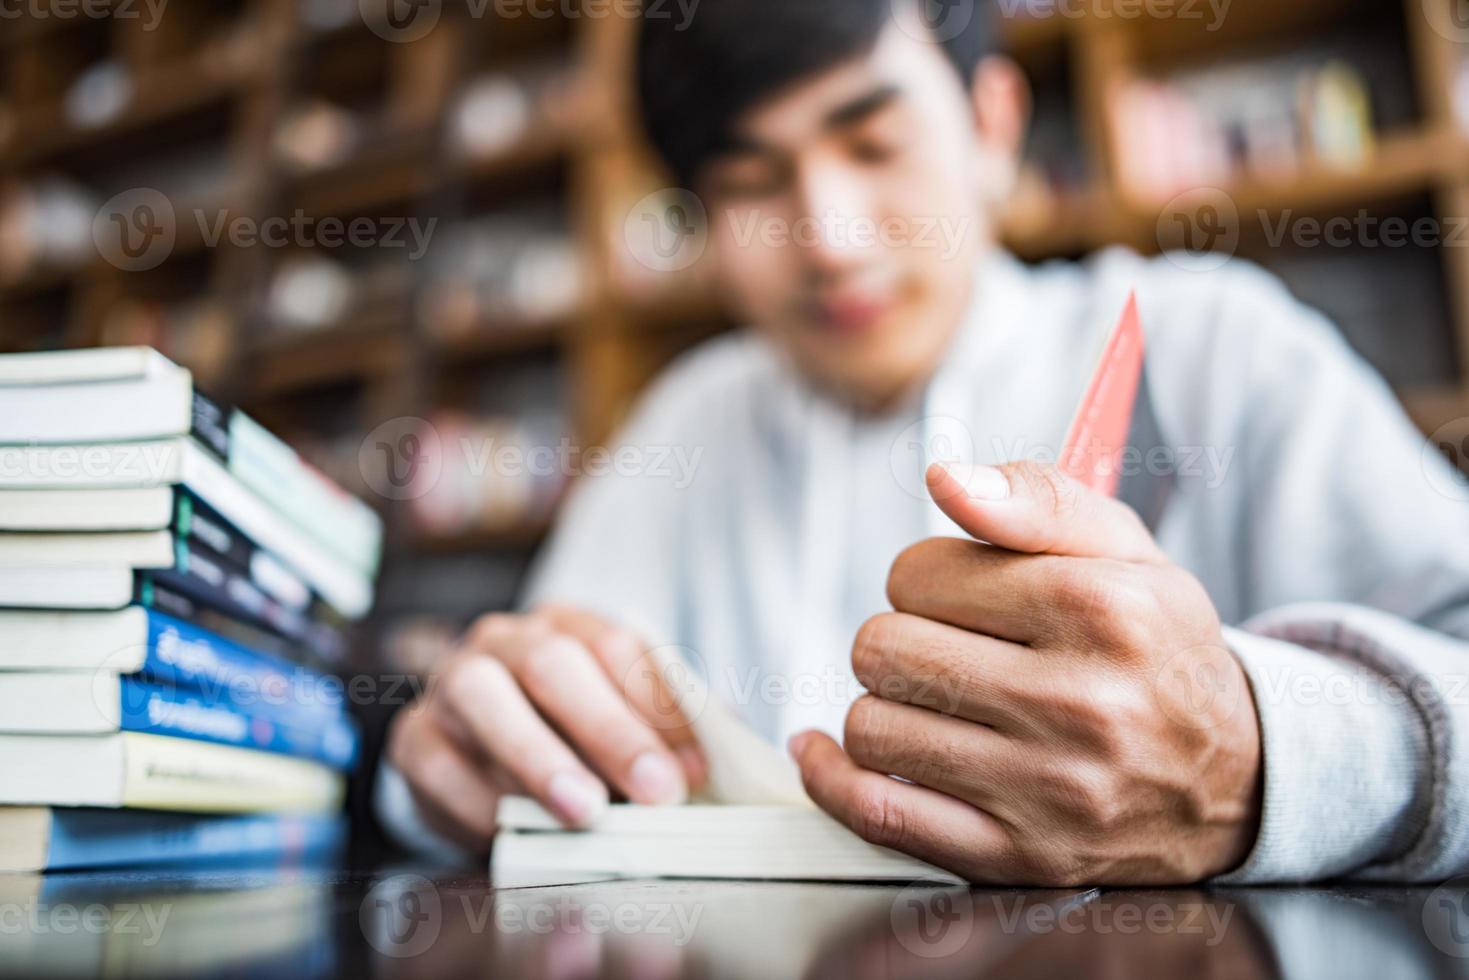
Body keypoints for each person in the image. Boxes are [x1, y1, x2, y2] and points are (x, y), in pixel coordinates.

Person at [377, 0, 1469, 884]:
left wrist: (1262, 756)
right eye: (751, 184)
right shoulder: (684, 419)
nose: (830, 241)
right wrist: (463, 755)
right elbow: (530, 706)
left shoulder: (1211, 342)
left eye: (874, 141)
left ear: (992, 126)